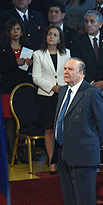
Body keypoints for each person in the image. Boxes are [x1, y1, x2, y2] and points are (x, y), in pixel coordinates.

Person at [52, 57, 103, 205]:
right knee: (69, 195)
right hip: (63, 151)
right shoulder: (62, 92)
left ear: (81, 73)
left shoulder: (92, 93)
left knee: (85, 195)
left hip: (84, 153)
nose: (66, 72)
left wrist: (102, 150)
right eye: (65, 69)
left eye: (70, 69)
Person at [32, 25, 71, 174]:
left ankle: (64, 159)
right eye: (49, 34)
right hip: (46, 96)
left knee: (63, 128)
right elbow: (36, 77)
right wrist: (52, 86)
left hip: (63, 94)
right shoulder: (38, 54)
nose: (51, 37)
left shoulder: (67, 53)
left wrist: (62, 87)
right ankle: (51, 161)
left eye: (55, 34)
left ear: (60, 38)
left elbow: (69, 72)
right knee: (49, 129)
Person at [0, 19, 33, 163]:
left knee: (23, 121)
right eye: (13, 29)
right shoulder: (3, 48)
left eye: (18, 29)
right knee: (10, 122)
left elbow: (33, 71)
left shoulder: (28, 48)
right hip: (7, 88)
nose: (16, 31)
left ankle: (23, 153)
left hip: (24, 89)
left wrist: (31, 65)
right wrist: (15, 63)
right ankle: (12, 154)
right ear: (8, 31)